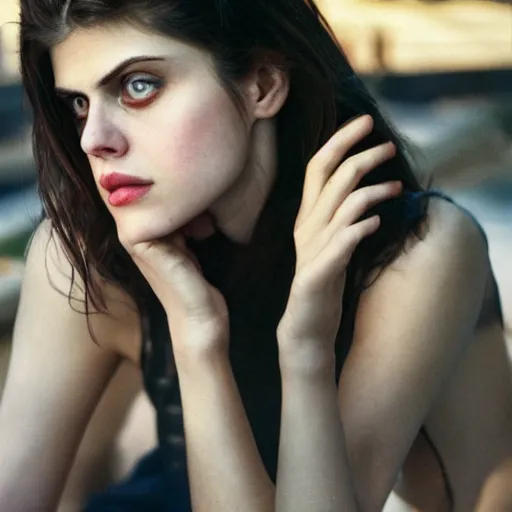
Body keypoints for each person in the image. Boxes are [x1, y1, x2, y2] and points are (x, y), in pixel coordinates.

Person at [0, 0, 511, 510]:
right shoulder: (85, 254)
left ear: (263, 85)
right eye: (79, 104)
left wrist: (305, 344)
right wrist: (195, 331)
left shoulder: (420, 251)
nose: (93, 140)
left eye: (139, 87)